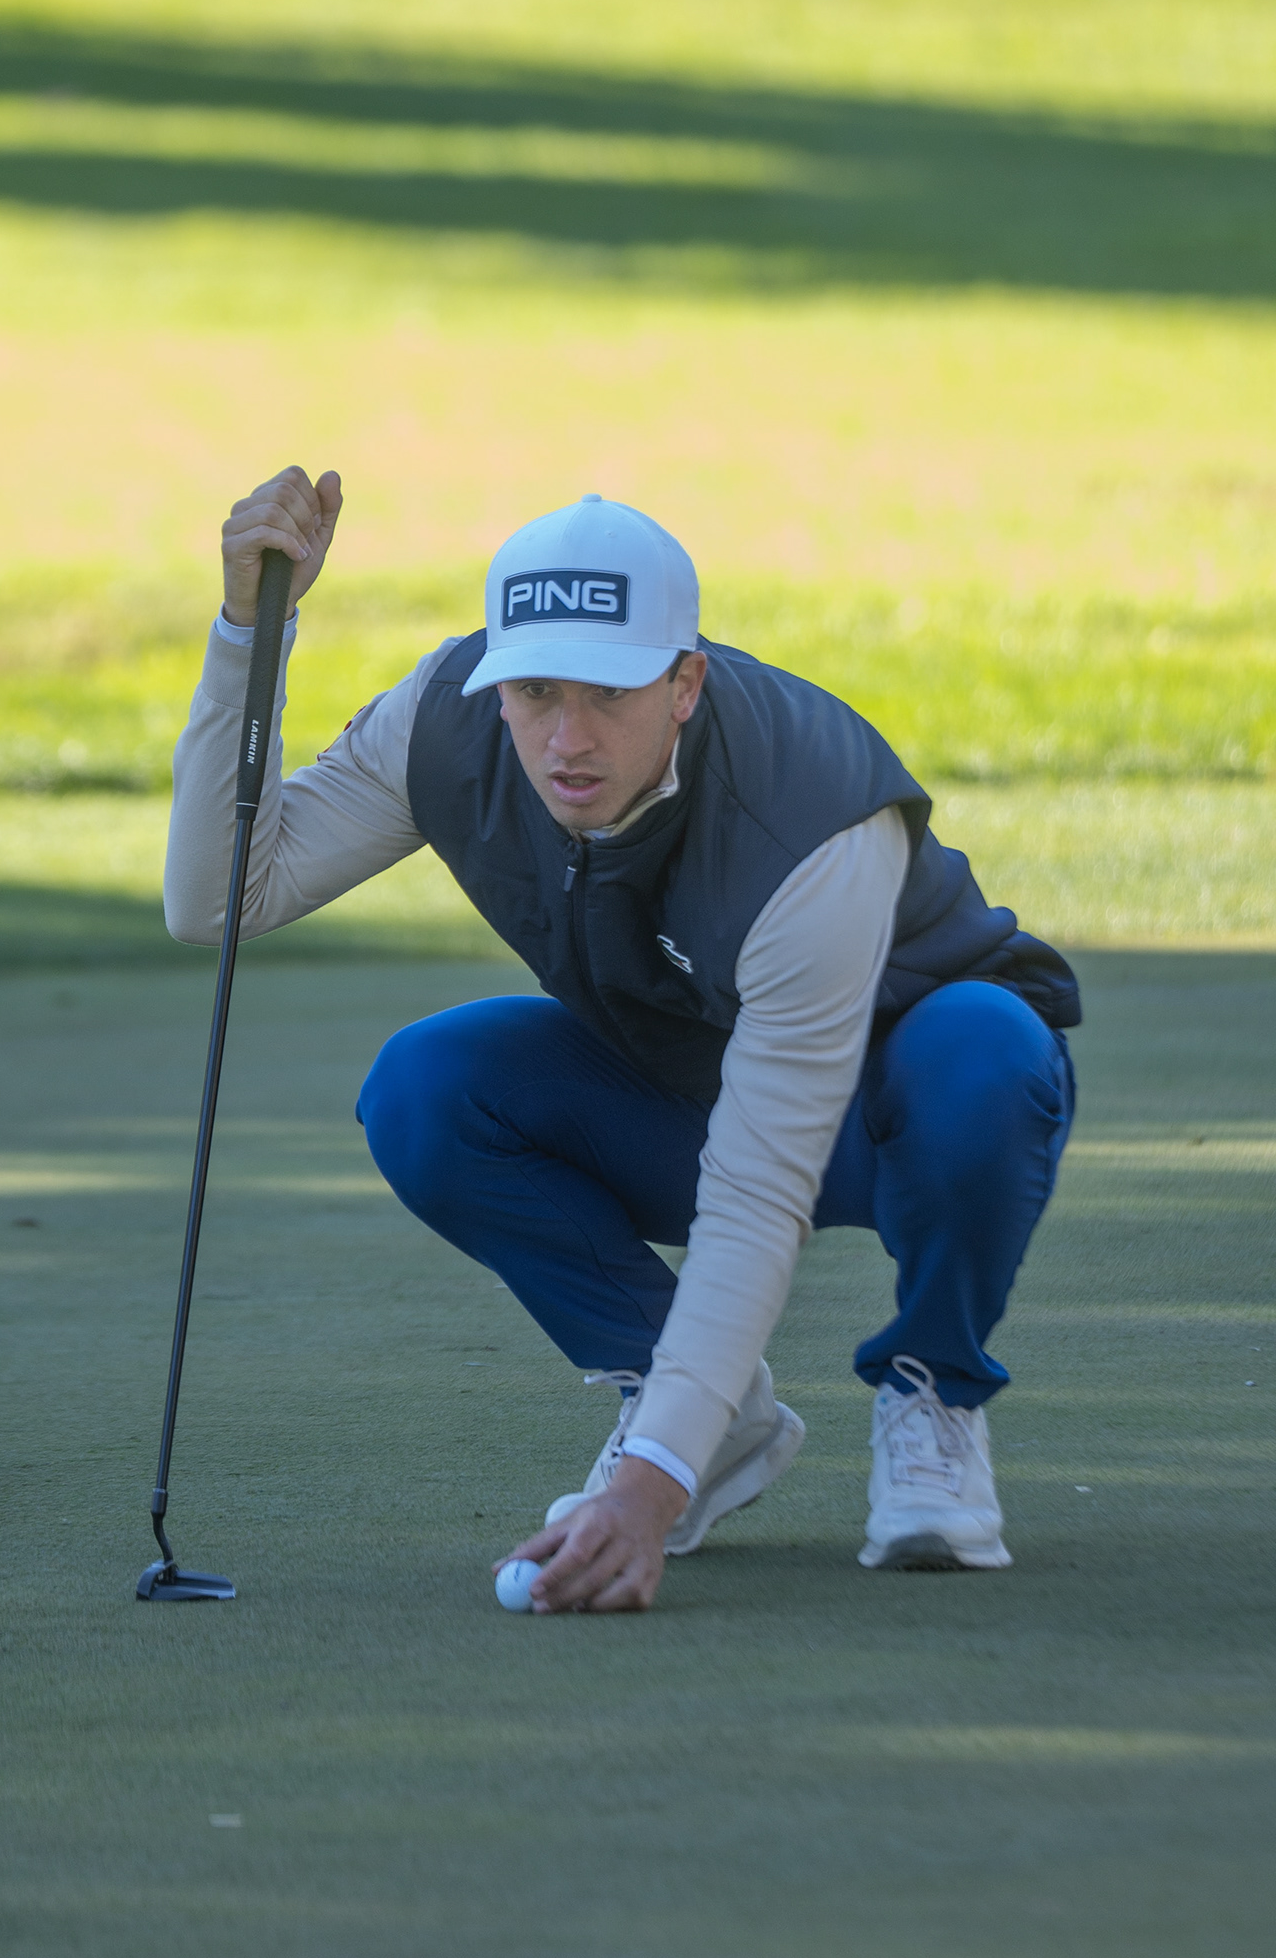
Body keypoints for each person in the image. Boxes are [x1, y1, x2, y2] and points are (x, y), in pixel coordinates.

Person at [165, 466, 1080, 1614]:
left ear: (685, 682)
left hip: (890, 1115)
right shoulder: (446, 723)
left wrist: (649, 1488)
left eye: (610, 692)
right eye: (535, 690)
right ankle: (696, 1409)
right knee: (429, 1088)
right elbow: (215, 899)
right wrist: (248, 633)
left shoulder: (811, 814)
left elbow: (758, 1188)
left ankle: (931, 1389)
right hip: (679, 1086)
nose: (568, 737)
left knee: (987, 1051)